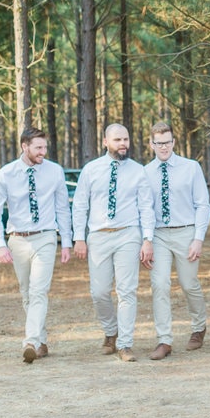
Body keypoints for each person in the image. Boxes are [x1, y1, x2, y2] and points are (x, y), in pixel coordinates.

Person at [0, 127, 72, 363]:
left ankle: (30, 341)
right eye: (38, 148)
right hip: (17, 239)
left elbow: (63, 208)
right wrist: (0, 245)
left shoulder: (55, 171)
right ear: (25, 146)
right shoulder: (6, 174)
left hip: (45, 236)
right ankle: (41, 340)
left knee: (38, 291)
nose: (43, 152)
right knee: (26, 293)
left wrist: (66, 241)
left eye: (45, 147)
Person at [72, 123, 155, 362]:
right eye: (118, 140)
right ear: (105, 142)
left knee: (127, 291)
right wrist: (79, 237)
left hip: (128, 234)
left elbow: (145, 207)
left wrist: (147, 239)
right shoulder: (91, 170)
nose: (123, 144)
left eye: (126, 139)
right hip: (98, 235)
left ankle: (125, 343)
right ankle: (110, 331)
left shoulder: (138, 171)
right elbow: (80, 205)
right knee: (99, 292)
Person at [143, 121, 210, 361]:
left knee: (188, 282)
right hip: (159, 234)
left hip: (186, 231)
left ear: (174, 142)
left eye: (168, 142)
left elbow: (203, 204)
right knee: (159, 284)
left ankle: (199, 326)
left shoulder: (190, 168)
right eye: (159, 143)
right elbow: (145, 209)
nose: (164, 147)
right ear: (151, 144)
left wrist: (198, 238)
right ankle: (164, 339)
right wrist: (147, 239)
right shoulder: (146, 172)